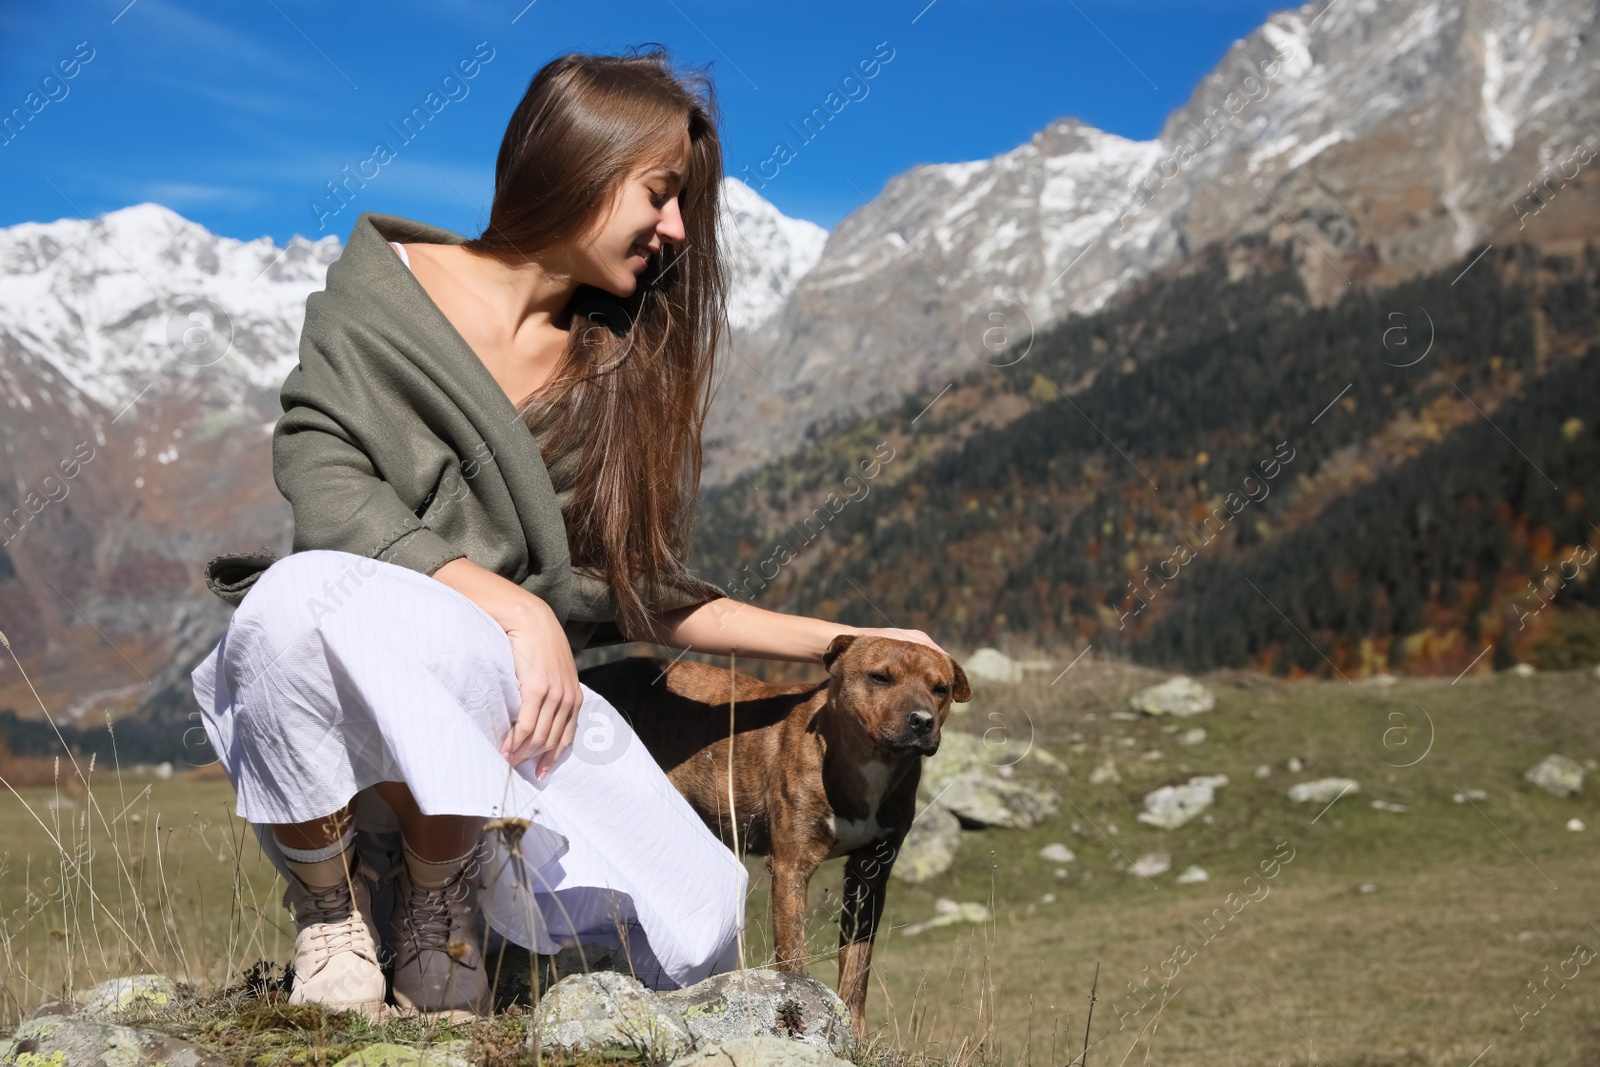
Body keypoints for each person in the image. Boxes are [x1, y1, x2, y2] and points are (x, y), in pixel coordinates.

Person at [190, 46, 944, 1020]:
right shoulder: (380, 296)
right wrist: (511, 606)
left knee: (702, 915)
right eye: (660, 193)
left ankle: (438, 876)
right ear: (582, 164)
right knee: (290, 603)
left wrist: (847, 641)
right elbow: (329, 490)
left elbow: (630, 588)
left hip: (512, 707)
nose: (674, 229)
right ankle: (339, 903)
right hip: (368, 651)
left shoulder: (611, 360)